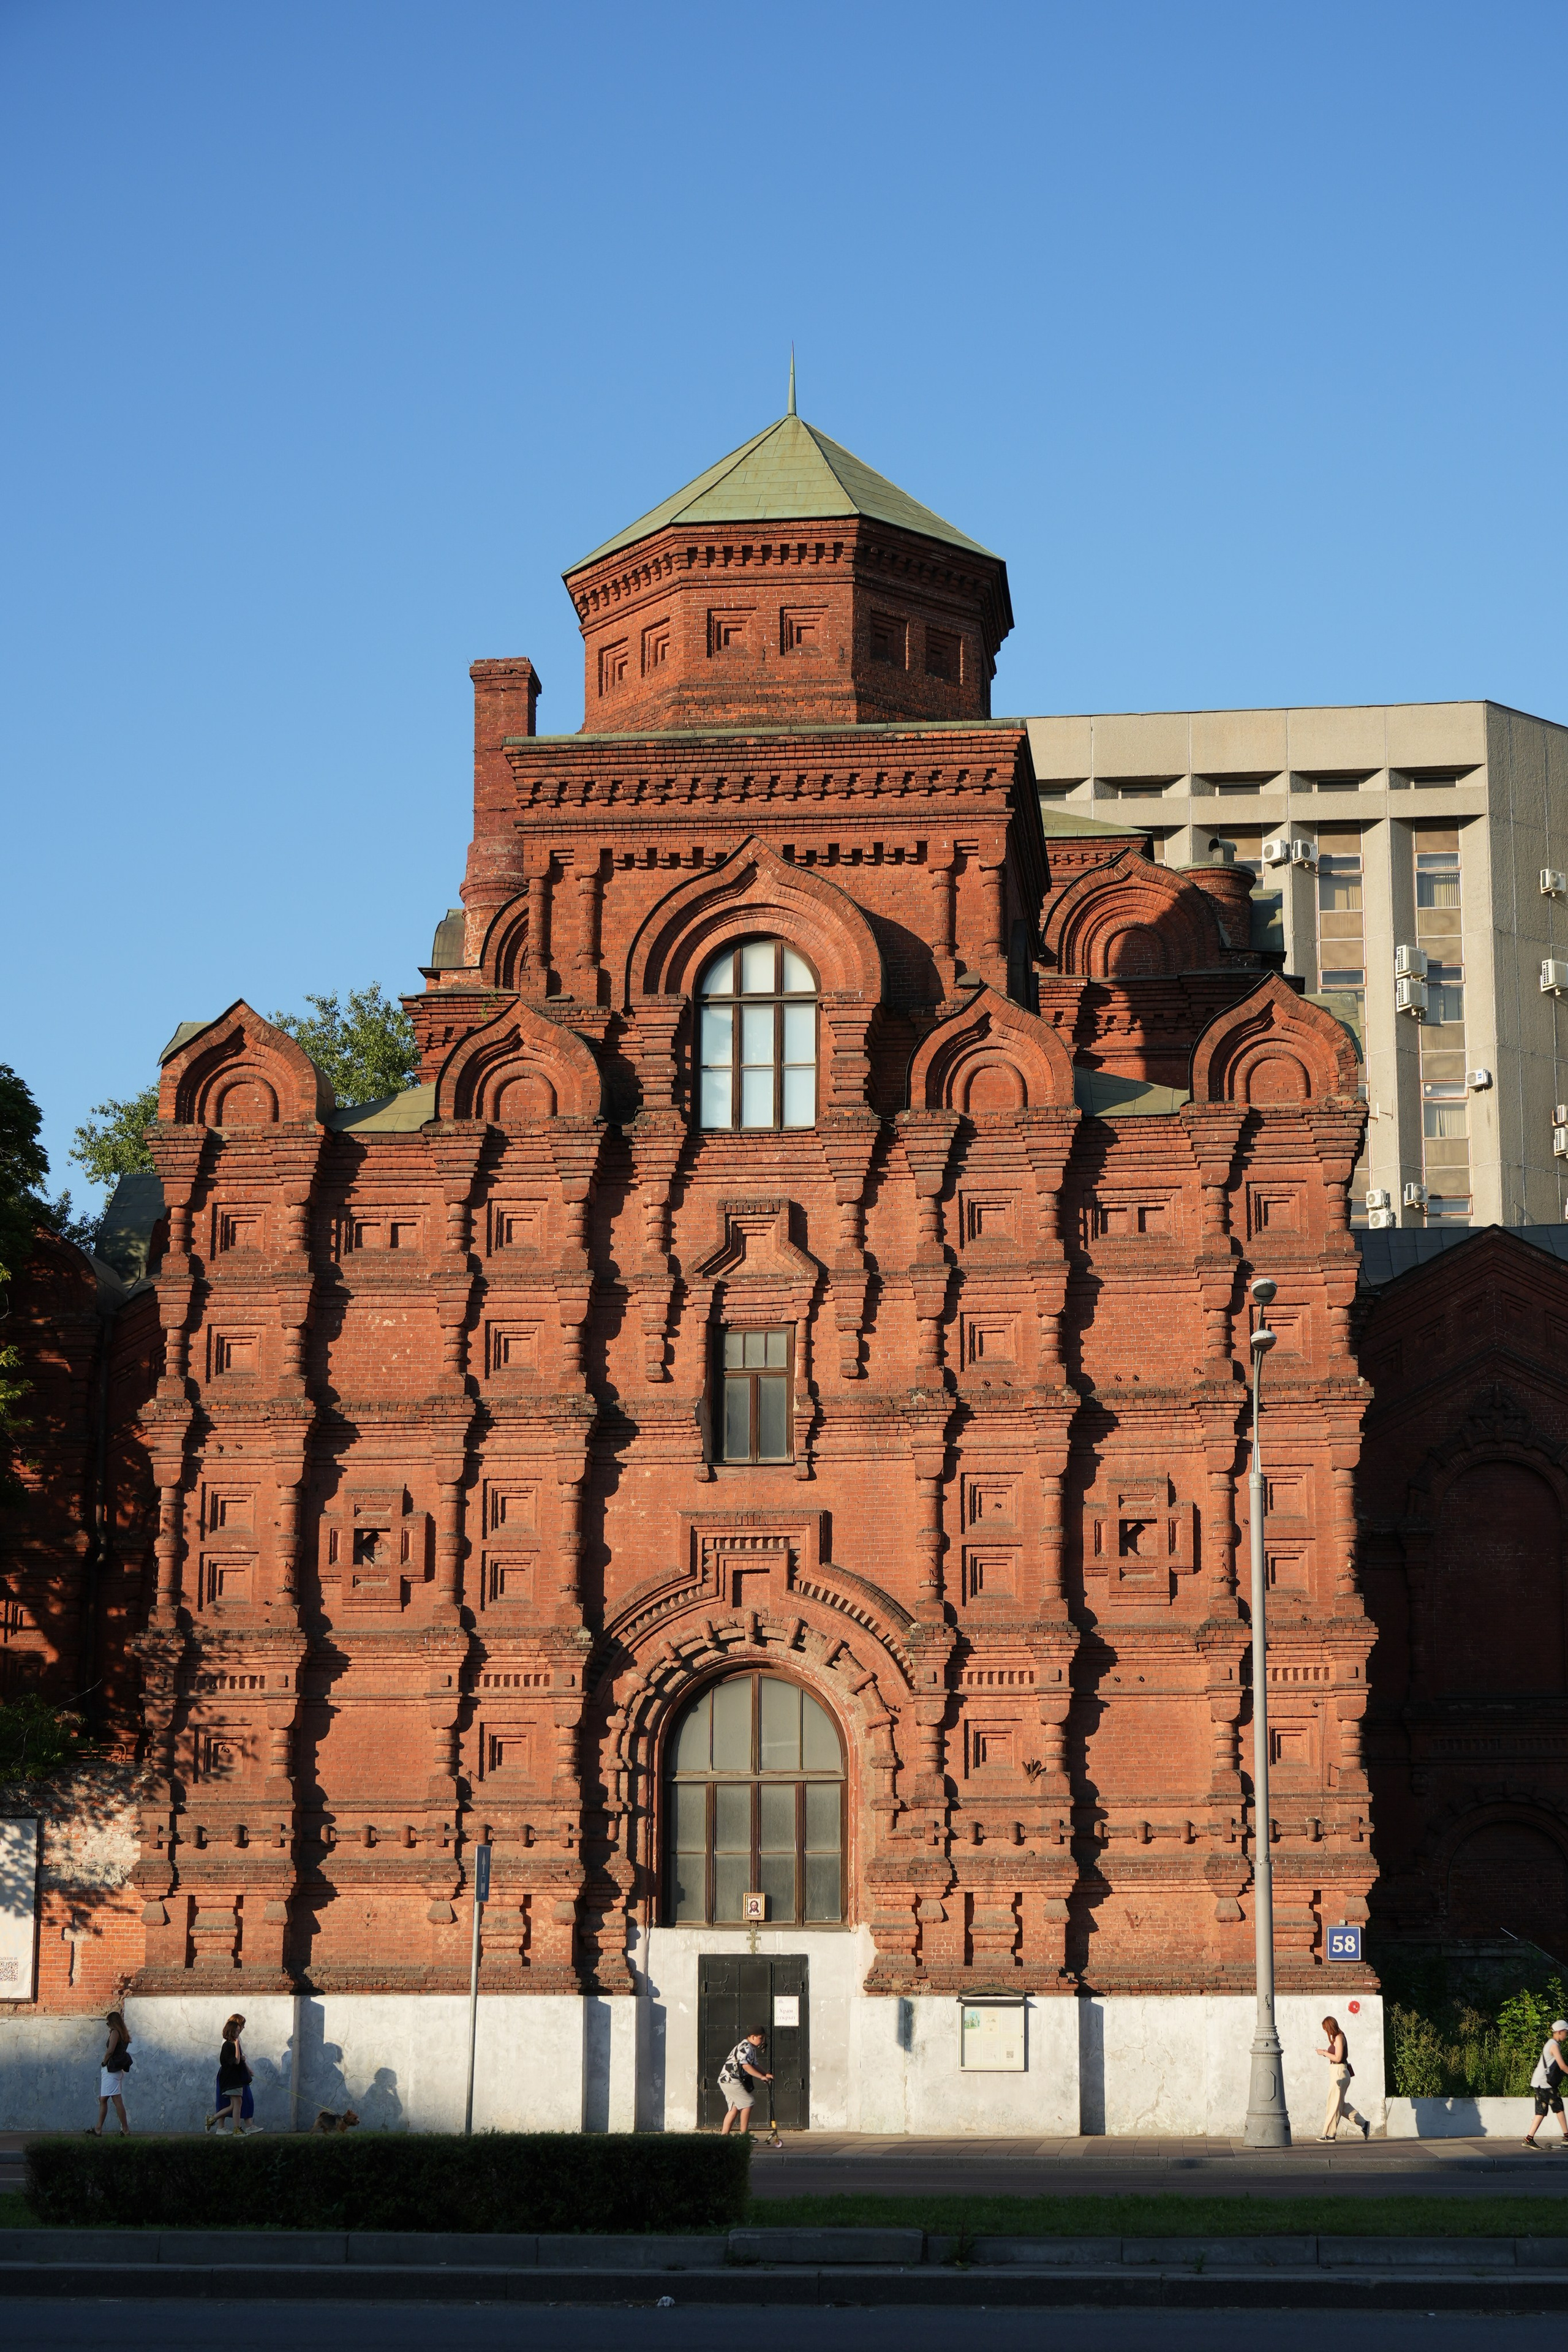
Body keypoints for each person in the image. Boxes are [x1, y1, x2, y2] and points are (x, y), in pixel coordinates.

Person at [1316, 2014, 1370, 2141]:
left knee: (1333, 2104)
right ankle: (1363, 2123)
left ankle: (1329, 2134)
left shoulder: (1339, 2037)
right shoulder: (1338, 2038)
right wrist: (1326, 2053)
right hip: (1337, 2072)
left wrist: (1324, 2053)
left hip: (1339, 2072)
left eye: (1326, 2029)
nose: (1326, 2032)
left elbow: (1338, 2058)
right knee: (1338, 2104)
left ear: (1330, 2027)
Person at [205, 2012, 259, 2135]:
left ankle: (217, 2122)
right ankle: (231, 2128)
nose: (243, 2028)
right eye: (241, 2026)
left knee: (235, 2104)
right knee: (233, 2103)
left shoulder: (235, 2040)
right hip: (232, 2076)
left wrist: (247, 2067)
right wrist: (242, 2058)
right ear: (235, 2028)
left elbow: (239, 2058)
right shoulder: (229, 2043)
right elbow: (236, 2060)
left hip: (236, 2074)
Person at [1523, 2017, 1568, 2149]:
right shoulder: (1554, 2045)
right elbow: (1562, 2066)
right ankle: (1566, 2137)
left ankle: (1529, 2139)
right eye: (1566, 2032)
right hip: (1545, 2084)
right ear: (1559, 2032)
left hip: (1540, 2082)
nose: (1566, 2035)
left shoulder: (1551, 2043)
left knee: (1542, 2111)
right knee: (1558, 2107)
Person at [717, 2029, 771, 2136]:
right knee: (748, 2103)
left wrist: (766, 2074)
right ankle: (744, 2135)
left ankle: (723, 2137)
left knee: (734, 2109)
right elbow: (746, 2066)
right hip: (731, 2079)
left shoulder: (751, 2048)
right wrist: (761, 2077)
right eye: (761, 2038)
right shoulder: (746, 2047)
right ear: (753, 2037)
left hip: (726, 2080)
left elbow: (755, 2064)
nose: (762, 2041)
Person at [90, 2010, 132, 2136]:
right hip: (116, 2070)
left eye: (109, 2023)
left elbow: (110, 2051)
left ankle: (125, 2130)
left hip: (111, 2069)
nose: (108, 2026)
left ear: (113, 2022)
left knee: (116, 2099)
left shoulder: (115, 2033)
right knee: (103, 2099)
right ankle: (98, 2128)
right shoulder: (123, 2034)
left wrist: (104, 2062)